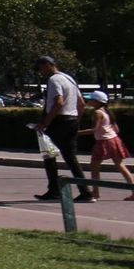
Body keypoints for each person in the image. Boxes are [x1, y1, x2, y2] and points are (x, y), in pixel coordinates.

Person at [33, 56, 94, 203]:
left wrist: (45, 123)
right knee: (71, 158)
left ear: (48, 65)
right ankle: (85, 192)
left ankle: (54, 190)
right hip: (70, 120)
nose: (40, 72)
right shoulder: (69, 79)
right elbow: (81, 104)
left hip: (57, 122)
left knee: (49, 155)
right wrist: (76, 121)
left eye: (40, 68)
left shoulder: (54, 80)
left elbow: (58, 102)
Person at [79, 90, 134, 200]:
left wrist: (76, 133)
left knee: (94, 166)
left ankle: (95, 193)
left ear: (97, 102)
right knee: (120, 165)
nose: (89, 101)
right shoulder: (108, 112)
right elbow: (116, 129)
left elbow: (94, 129)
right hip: (114, 139)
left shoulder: (97, 112)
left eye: (91, 99)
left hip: (103, 141)